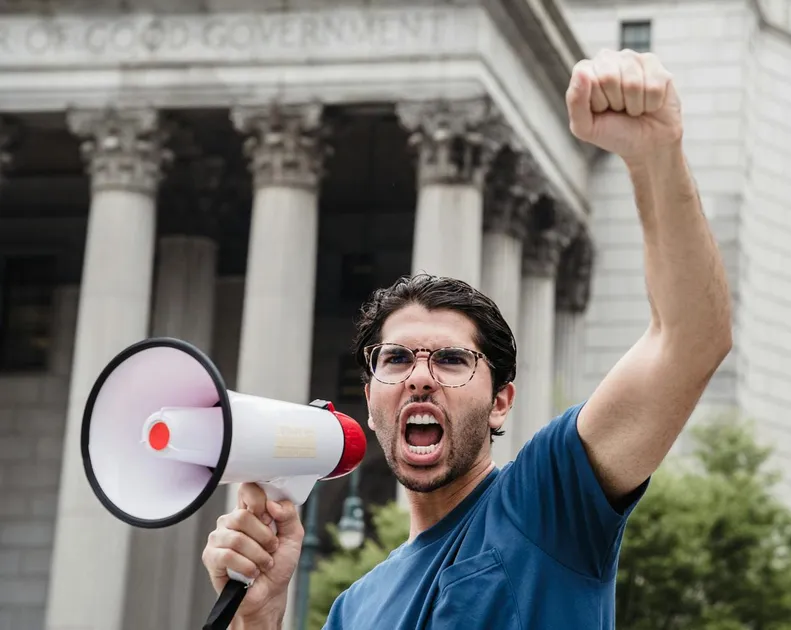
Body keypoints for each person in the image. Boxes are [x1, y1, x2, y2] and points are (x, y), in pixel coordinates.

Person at [200, 48, 733, 629]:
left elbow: (691, 340)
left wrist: (656, 155)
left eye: (453, 360)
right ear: (372, 398)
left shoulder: (547, 503)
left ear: (501, 400)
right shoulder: (353, 610)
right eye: (396, 358)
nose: (421, 375)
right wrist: (261, 613)